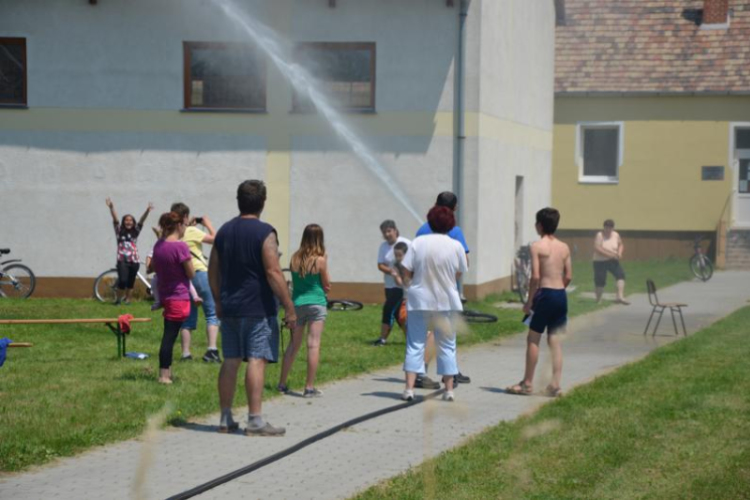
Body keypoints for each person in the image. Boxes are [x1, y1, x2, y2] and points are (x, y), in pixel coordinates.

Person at [208, 180, 296, 436]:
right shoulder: (265, 232)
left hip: (230, 307)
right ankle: (255, 420)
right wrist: (289, 307)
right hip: (257, 308)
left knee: (231, 360)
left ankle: (225, 418)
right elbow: (273, 271)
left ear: (239, 200)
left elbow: (213, 269)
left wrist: (217, 299)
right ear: (262, 202)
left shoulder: (223, 231)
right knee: (257, 359)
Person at [400, 206, 468, 402]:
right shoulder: (455, 245)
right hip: (446, 300)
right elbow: (460, 271)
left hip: (419, 299)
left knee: (415, 343)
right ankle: (448, 390)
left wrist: (410, 284)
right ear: (450, 224)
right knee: (447, 344)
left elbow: (406, 268)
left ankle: (409, 389)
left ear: (430, 221)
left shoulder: (418, 242)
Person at [507, 208, 572, 398]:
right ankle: (555, 385)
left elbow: (535, 277)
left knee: (533, 338)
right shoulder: (564, 247)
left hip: (544, 294)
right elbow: (569, 275)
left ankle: (527, 383)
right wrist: (559, 288)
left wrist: (529, 302)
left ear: (540, 225)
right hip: (560, 295)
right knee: (555, 341)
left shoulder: (537, 246)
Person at [414, 191, 471, 386]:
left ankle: (447, 371)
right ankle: (433, 372)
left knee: (426, 332)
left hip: (422, 291)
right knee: (443, 332)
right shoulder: (454, 230)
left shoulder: (422, 230)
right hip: (444, 293)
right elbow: (464, 263)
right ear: (454, 209)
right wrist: (449, 282)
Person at [277, 224, 331, 398]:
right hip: (316, 303)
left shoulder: (294, 258)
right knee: (313, 344)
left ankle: (282, 383)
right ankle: (309, 387)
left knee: (293, 345)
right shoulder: (320, 260)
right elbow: (327, 285)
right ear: (319, 238)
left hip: (297, 304)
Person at [169, 202, 221, 363]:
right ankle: (211, 351)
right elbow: (216, 240)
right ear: (185, 217)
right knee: (212, 313)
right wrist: (207, 224)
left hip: (183, 278)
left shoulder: (172, 234)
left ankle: (186, 353)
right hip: (199, 273)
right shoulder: (192, 230)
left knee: (188, 317)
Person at [150, 212, 195, 384]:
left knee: (170, 334)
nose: (185, 228)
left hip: (166, 296)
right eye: (184, 225)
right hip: (179, 297)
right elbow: (190, 273)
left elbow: (155, 267)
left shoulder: (158, 245)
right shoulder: (180, 247)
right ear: (178, 226)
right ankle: (163, 375)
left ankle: (167, 372)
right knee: (169, 337)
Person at [105, 197, 154, 305]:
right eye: (126, 220)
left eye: (130, 220)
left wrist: (147, 211)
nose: (128, 222)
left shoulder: (135, 232)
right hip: (122, 260)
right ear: (124, 222)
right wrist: (111, 207)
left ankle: (128, 300)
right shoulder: (119, 231)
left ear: (133, 222)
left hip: (134, 260)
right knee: (122, 281)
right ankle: (118, 300)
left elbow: (141, 221)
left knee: (130, 282)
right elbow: (115, 220)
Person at [371, 220, 410, 347]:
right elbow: (380, 265)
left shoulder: (406, 243)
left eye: (389, 231)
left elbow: (413, 262)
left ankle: (382, 339)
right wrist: (391, 271)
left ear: (395, 230)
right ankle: (412, 338)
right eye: (384, 232)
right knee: (399, 315)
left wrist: (402, 274)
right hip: (389, 285)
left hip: (401, 286)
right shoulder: (383, 247)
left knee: (388, 309)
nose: (387, 234)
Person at [146, 226, 201, 311]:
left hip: (175, 273)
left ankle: (195, 296)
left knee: (187, 280)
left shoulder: (177, 244)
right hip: (163, 274)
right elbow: (150, 259)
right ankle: (158, 301)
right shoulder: (157, 246)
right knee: (154, 282)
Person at [593, 219, 630, 305]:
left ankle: (620, 297)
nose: (608, 230)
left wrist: (619, 253)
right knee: (600, 280)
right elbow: (597, 248)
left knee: (620, 275)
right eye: (606, 228)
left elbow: (621, 244)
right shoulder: (600, 235)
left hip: (613, 260)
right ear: (604, 228)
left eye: (610, 228)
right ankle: (598, 299)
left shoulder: (616, 235)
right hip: (600, 261)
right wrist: (610, 255)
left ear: (613, 228)